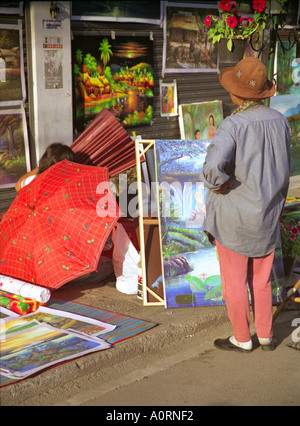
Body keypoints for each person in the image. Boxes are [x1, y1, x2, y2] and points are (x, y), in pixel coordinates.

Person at [200, 57, 291, 353]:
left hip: (235, 217)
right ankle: (265, 335)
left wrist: (220, 184)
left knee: (235, 282)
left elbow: (212, 168)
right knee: (262, 279)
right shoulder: (280, 122)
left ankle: (242, 337)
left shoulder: (233, 124)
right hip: (267, 214)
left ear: (235, 94)